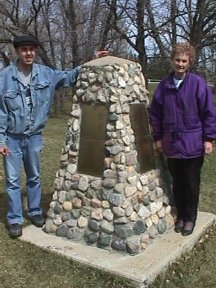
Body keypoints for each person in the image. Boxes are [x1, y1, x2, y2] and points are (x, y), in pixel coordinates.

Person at [0, 34, 108, 238]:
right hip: (12, 138)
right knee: (13, 181)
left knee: (34, 176)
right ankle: (15, 219)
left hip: (34, 137)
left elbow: (70, 76)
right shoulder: (4, 77)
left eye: (32, 49)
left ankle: (34, 212)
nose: (29, 53)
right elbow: (1, 112)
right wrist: (1, 140)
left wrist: (93, 60)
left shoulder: (46, 74)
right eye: (24, 50)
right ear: (17, 52)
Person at [150, 42, 216, 236]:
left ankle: (190, 218)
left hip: (193, 143)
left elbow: (209, 112)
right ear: (172, 61)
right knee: (177, 183)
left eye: (184, 61)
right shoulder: (164, 85)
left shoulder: (197, 84)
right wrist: (158, 138)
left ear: (189, 62)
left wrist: (208, 139)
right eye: (177, 60)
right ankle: (180, 216)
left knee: (191, 183)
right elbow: (155, 113)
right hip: (172, 143)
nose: (180, 64)